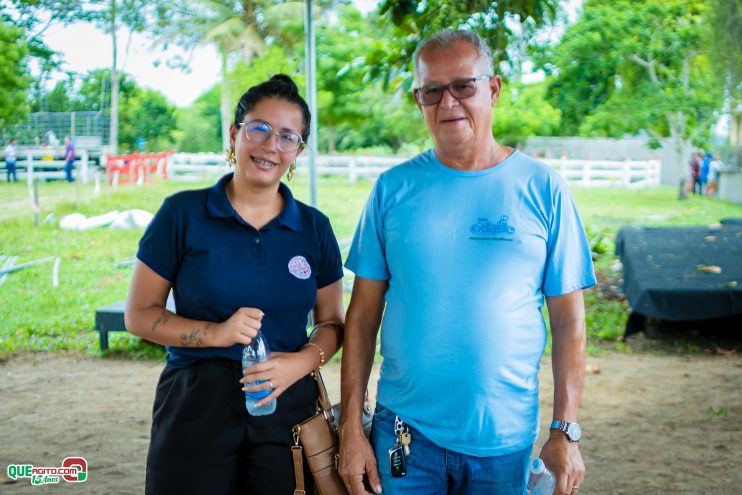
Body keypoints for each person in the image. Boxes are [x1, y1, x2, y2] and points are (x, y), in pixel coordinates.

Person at [338, 29, 596, 495]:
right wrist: (352, 428)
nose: (448, 102)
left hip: (504, 442)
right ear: (419, 99)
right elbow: (361, 319)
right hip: (404, 436)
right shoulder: (392, 190)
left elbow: (569, 320)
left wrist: (565, 430)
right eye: (431, 90)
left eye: (464, 85)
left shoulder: (544, 189)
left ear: (493, 89)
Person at [125, 74, 345, 495]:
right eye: (259, 128)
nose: (270, 146)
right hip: (195, 403)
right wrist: (216, 334)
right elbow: (139, 315)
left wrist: (299, 364)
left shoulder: (314, 228)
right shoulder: (182, 214)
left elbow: (333, 322)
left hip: (287, 407)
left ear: (298, 151)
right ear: (235, 133)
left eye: (287, 137)